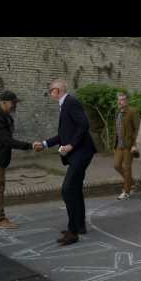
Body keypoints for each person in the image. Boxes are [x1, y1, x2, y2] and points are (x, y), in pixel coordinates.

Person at [34, 79, 96, 246]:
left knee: (67, 190)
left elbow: (84, 125)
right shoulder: (65, 104)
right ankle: (79, 225)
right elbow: (64, 133)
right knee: (74, 189)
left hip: (81, 153)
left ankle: (73, 231)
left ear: (57, 90)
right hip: (79, 153)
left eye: (50, 90)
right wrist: (45, 144)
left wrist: (70, 145)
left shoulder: (71, 102)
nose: (49, 93)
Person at [0, 91, 34, 228]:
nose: (15, 105)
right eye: (13, 103)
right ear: (4, 102)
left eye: (15, 102)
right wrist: (29, 146)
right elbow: (6, 140)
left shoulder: (3, 115)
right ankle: (0, 219)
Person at [114, 92, 141, 200]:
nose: (120, 101)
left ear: (127, 101)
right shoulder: (118, 112)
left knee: (127, 167)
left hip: (129, 145)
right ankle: (131, 182)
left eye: (123, 99)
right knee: (116, 165)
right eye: (119, 99)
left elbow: (138, 129)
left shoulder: (132, 111)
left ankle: (126, 191)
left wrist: (135, 145)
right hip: (119, 144)